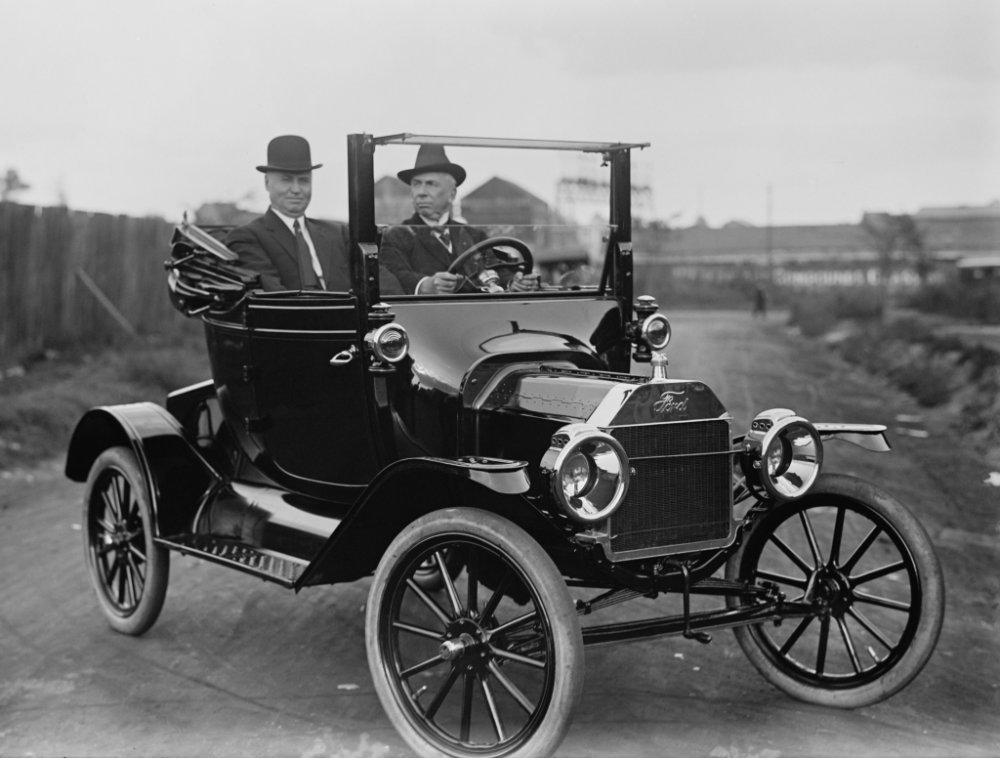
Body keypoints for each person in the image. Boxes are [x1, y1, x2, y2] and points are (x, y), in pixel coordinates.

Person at [226, 135, 401, 294]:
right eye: (286, 180)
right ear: (267, 183)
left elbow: (382, 281)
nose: (296, 190)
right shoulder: (248, 237)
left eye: (303, 180)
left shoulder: (339, 234)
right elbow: (274, 297)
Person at [380, 144, 539, 294]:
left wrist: (514, 283)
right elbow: (394, 276)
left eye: (431, 184)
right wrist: (425, 285)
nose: (421, 192)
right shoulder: (396, 236)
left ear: (452, 194)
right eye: (416, 184)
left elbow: (496, 270)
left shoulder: (474, 236)